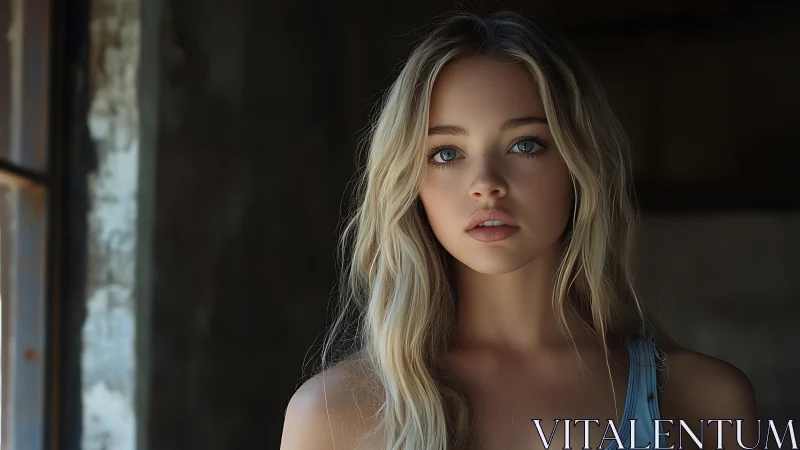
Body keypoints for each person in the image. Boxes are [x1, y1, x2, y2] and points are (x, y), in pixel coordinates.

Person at [281, 10, 758, 450]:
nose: (486, 183)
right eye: (446, 153)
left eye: (525, 145)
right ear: (409, 183)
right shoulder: (331, 418)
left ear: (578, 164)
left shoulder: (706, 402)